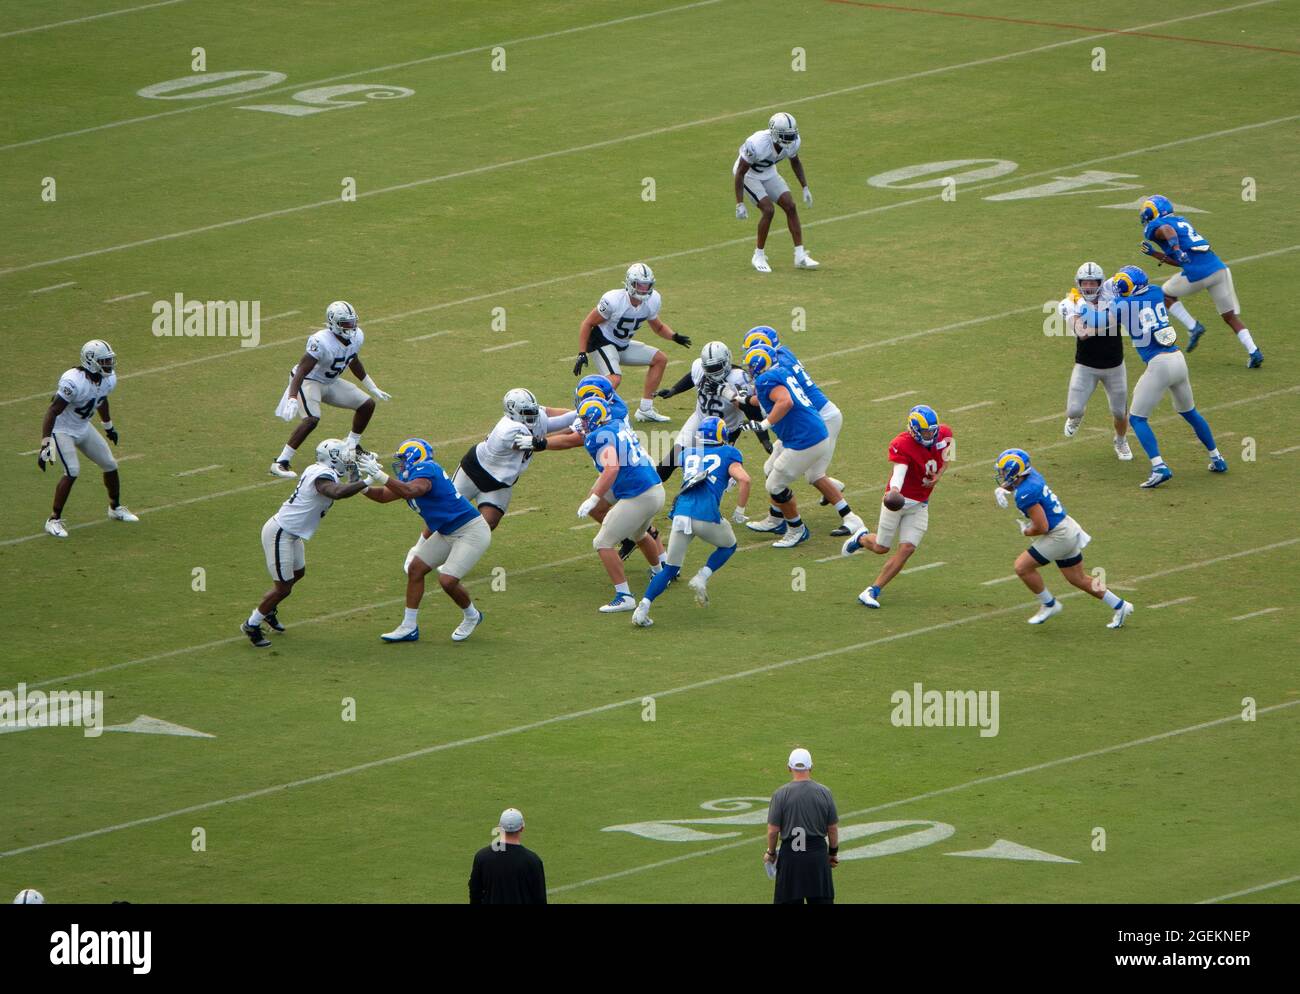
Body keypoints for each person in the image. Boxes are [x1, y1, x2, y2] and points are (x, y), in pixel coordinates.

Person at [1079, 265, 1228, 488]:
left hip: (1158, 364)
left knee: (1137, 418)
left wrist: (1078, 306)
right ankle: (1217, 457)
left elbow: (1096, 321)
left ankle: (1159, 467)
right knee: (1190, 412)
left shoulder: (1122, 304)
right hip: (1177, 359)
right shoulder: (1156, 291)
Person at [358, 439, 490, 643]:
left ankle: (472, 616)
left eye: (403, 460)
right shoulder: (413, 475)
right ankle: (409, 627)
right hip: (447, 532)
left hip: (470, 530)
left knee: (447, 580)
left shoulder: (426, 469)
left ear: (414, 458)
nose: (400, 465)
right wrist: (360, 485)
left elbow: (411, 491)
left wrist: (379, 475)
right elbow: (384, 496)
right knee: (415, 569)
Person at [241, 438, 369, 647]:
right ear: (333, 458)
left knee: (298, 574)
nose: (347, 460)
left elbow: (345, 486)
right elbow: (337, 492)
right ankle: (252, 623)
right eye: (344, 457)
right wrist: (367, 481)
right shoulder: (322, 476)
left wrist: (359, 472)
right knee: (283, 587)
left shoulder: (321, 470)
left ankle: (269, 608)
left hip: (291, 533)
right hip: (280, 533)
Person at [994, 447, 1134, 628]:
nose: (1002, 474)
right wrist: (1002, 489)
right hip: (1067, 527)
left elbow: (1041, 527)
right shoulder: (1031, 475)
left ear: (1015, 471)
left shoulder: (1025, 494)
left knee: (1022, 567)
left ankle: (1049, 604)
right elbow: (1019, 483)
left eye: (1005, 471)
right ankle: (1120, 605)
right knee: (1078, 579)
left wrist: (1026, 531)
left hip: (1059, 535)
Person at [633, 416, 750, 627]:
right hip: (705, 514)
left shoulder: (687, 453)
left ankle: (643, 606)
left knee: (669, 568)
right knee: (729, 546)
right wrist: (740, 510)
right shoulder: (729, 453)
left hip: (681, 514)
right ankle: (702, 576)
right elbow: (744, 479)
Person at [842, 405, 952, 608]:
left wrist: (938, 476)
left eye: (932, 431)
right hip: (897, 502)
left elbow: (946, 458)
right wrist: (894, 491)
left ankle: (873, 590)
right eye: (926, 432)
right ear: (914, 429)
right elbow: (899, 471)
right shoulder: (902, 444)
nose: (930, 435)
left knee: (908, 548)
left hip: (920, 504)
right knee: (881, 547)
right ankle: (862, 538)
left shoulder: (944, 434)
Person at [1137, 194, 1262, 367]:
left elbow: (1167, 230)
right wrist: (1154, 254)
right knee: (1230, 317)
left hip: (1198, 273)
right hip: (1219, 269)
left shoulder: (1156, 226)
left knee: (1164, 294)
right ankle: (1254, 351)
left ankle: (1193, 326)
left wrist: (1176, 248)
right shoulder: (1182, 220)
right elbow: (1180, 260)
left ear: (1152, 212)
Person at [270, 301, 391, 478]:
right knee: (311, 419)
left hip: (330, 381)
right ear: (333, 323)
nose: (351, 326)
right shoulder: (321, 341)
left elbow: (353, 360)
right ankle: (281, 462)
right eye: (345, 323)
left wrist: (372, 386)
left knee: (367, 404)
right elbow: (302, 370)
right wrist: (292, 397)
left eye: (352, 322)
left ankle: (351, 447)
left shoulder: (357, 336)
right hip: (309, 381)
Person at [38, 339, 139, 538]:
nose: (109, 365)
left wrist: (108, 426)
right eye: (104, 361)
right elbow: (52, 411)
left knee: (110, 464)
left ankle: (115, 508)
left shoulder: (107, 380)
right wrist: (45, 443)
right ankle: (53, 520)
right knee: (73, 470)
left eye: (109, 361)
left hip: (83, 427)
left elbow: (101, 399)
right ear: (91, 361)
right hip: (63, 430)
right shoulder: (73, 380)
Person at [572, 264, 691, 423]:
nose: (643, 288)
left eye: (647, 285)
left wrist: (674, 336)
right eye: (639, 284)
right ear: (630, 283)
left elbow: (658, 326)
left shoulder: (653, 300)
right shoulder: (613, 300)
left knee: (660, 359)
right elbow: (587, 323)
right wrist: (582, 352)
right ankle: (586, 414)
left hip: (622, 344)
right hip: (601, 342)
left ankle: (645, 409)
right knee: (614, 378)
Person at [1057, 261, 1132, 460]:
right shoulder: (1069, 302)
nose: (1089, 287)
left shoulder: (1111, 295)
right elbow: (1082, 333)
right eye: (1085, 283)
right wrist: (1109, 320)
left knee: (1119, 412)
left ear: (1101, 282)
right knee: (1073, 410)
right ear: (1078, 283)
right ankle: (1077, 418)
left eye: (1093, 282)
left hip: (1114, 365)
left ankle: (1121, 440)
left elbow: (1125, 282)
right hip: (1086, 365)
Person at [733, 113, 819, 272]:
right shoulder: (757, 143)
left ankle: (800, 256)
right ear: (774, 133)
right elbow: (740, 173)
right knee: (768, 210)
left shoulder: (793, 143)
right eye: (785, 135)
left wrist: (805, 187)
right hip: (749, 175)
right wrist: (740, 203)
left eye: (791, 134)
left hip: (768, 172)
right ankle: (758, 255)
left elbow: (796, 162)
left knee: (790, 206)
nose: (789, 139)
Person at [765, 748, 838, 905]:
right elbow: (832, 828)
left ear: (789, 767)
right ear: (810, 767)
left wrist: (770, 853)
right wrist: (832, 853)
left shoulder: (780, 794)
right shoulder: (825, 792)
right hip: (817, 857)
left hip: (791, 859)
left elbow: (773, 831)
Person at [468, 808, 546, 905]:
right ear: (522, 828)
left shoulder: (482, 857)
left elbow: (475, 893)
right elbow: (540, 898)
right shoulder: (533, 861)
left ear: (499, 827)